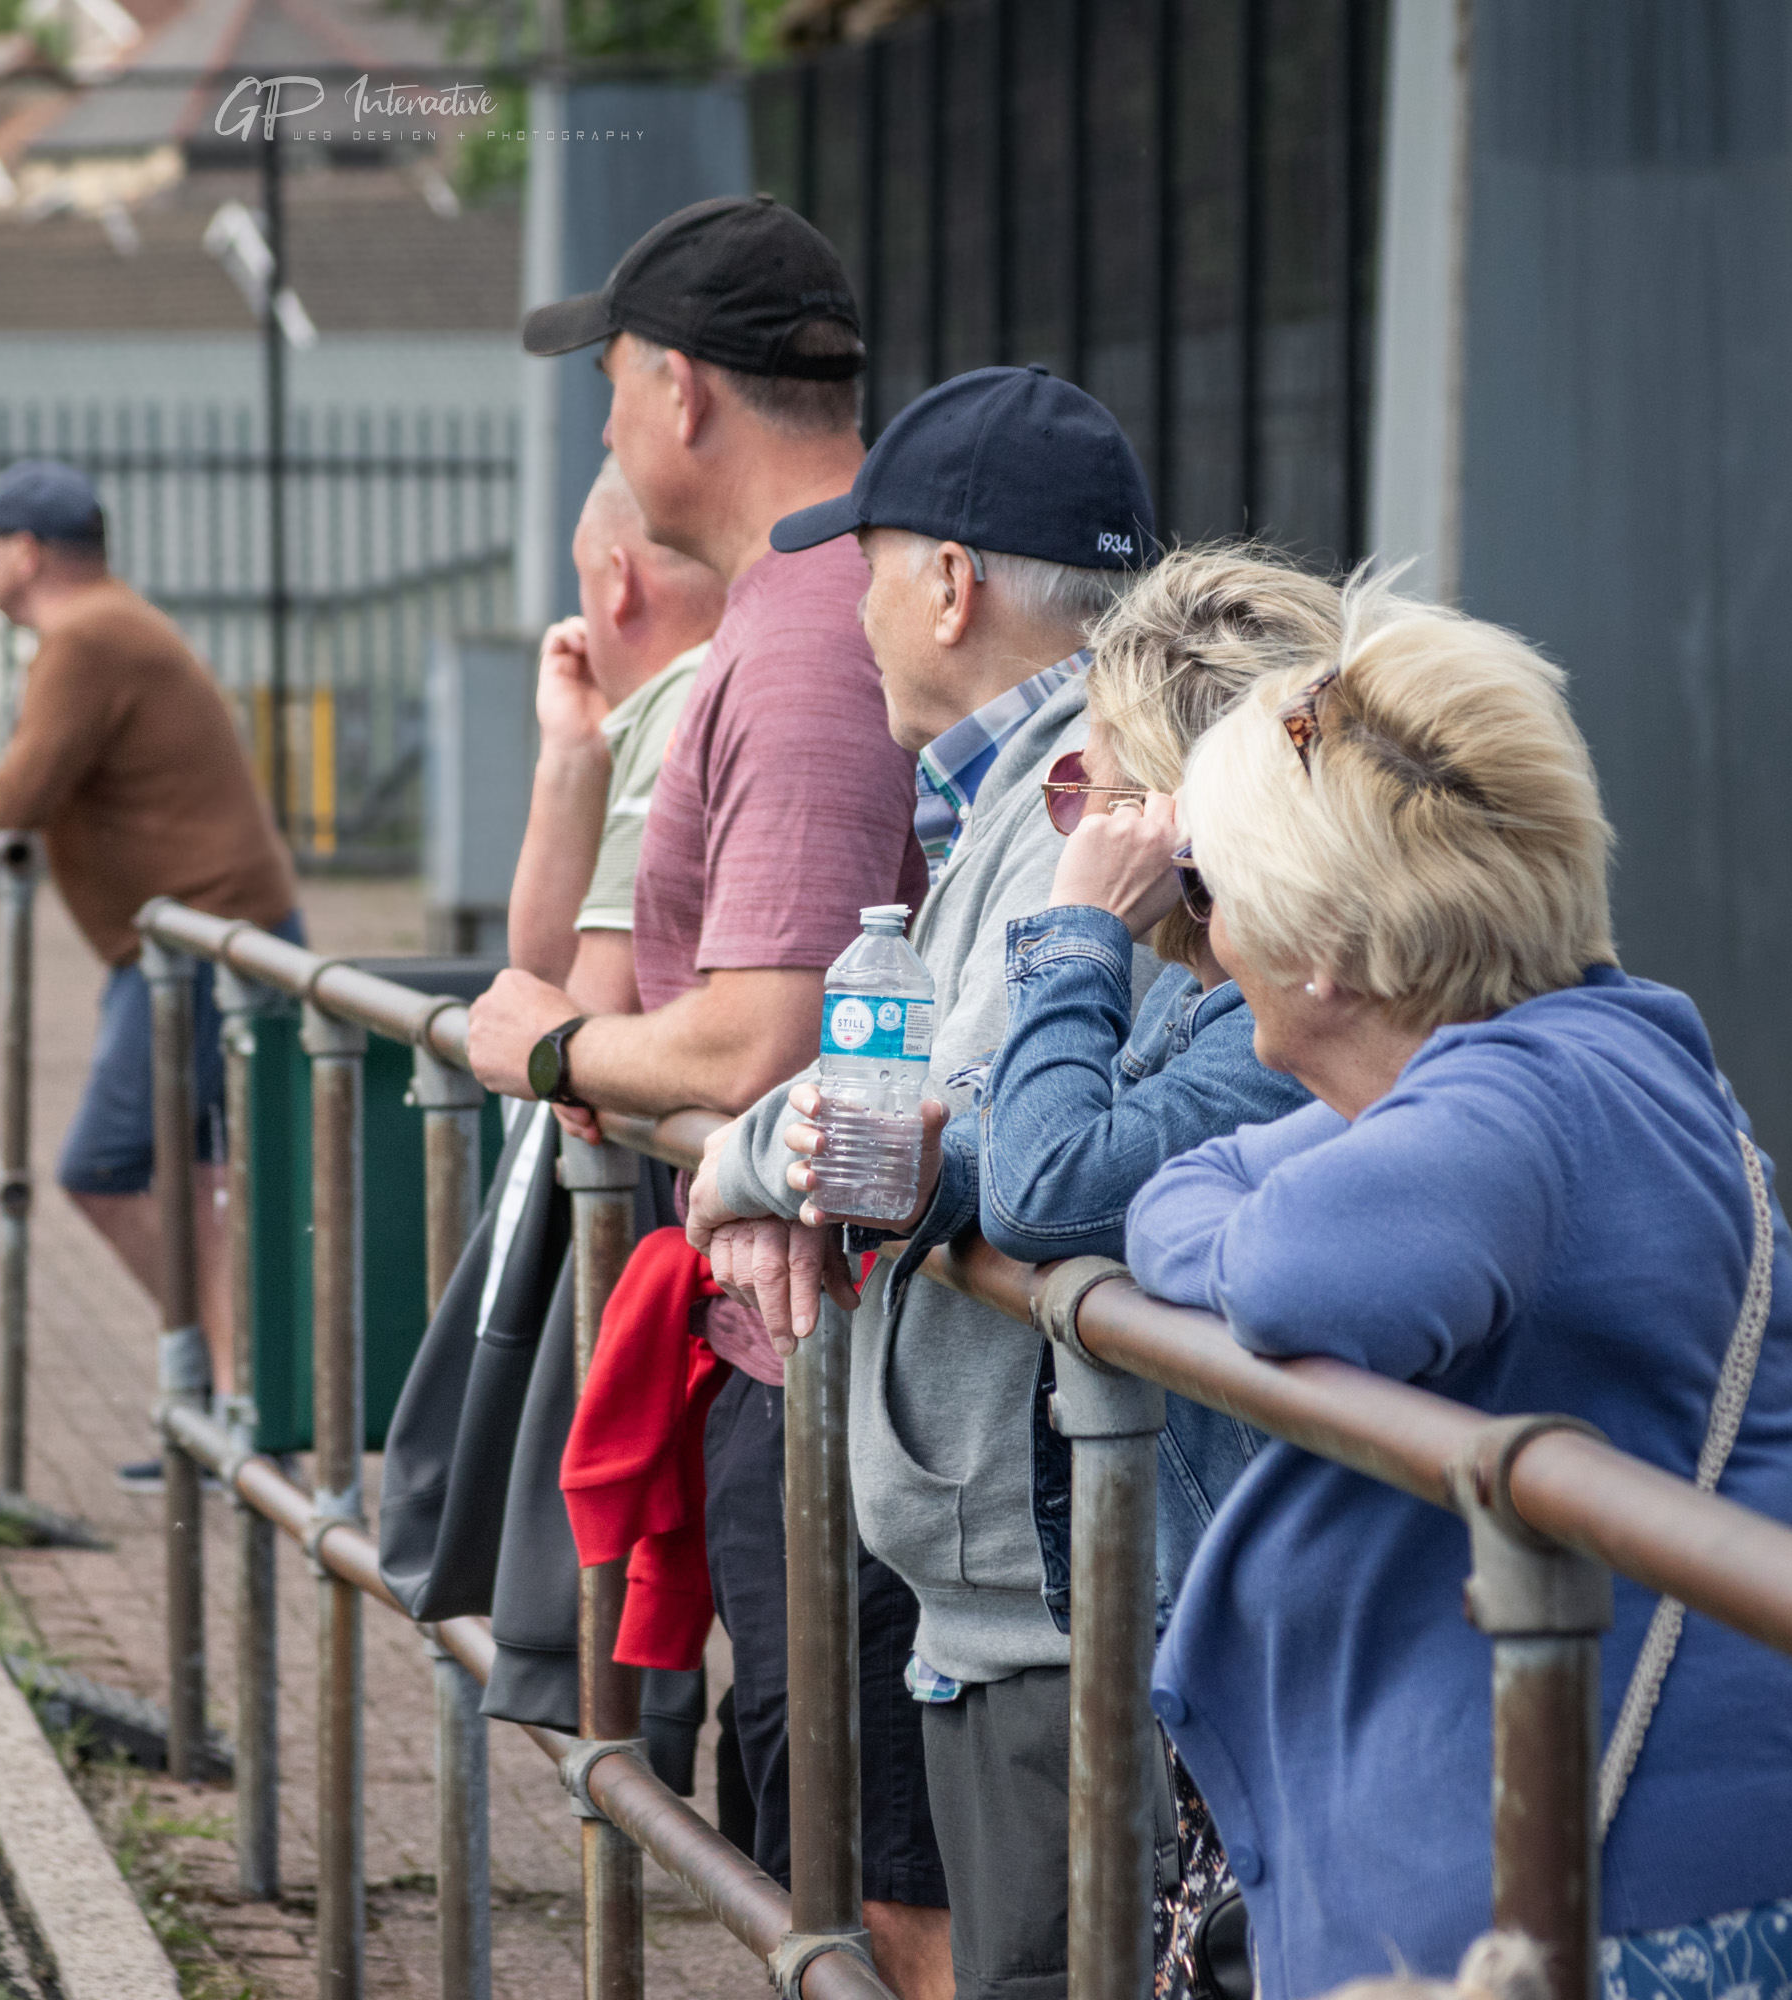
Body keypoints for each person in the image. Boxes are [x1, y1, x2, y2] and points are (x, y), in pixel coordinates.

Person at [1123, 589, 1792, 1999]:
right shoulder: (1576, 1059)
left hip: (1634, 1920)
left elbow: (1274, 1257)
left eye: (1208, 892)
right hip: (1688, 1884)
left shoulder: (1507, 1111)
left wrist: (1230, 1231)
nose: (1207, 936)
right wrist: (1234, 1213)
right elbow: (1195, 1190)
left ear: (1319, 946)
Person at [465, 195, 950, 1995]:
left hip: (846, 1363)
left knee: (876, 1891)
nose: (603, 422)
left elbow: (760, 1039)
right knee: (824, 1861)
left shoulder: (813, 631)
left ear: (679, 391)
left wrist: (551, 1050)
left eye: (610, 384)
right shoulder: (813, 601)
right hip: (817, 1344)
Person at [681, 363, 1158, 2000]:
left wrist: (743, 1164)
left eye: (866, 566)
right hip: (1015, 1576)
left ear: (949, 583)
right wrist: (786, 1163)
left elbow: (936, 1123)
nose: (856, 612)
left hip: (1054, 1587)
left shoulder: (1080, 792)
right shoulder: (1019, 791)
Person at [701, 546, 1335, 1638]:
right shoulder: (1212, 1002)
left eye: (1098, 794)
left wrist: (1078, 924)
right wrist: (923, 1178)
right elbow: (1042, 1142)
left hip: (1186, 1628)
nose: (1075, 828)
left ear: (1183, 820)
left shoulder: (1274, 1030)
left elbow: (1050, 1188)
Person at [0, 458, 301, 1482]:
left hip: (200, 947)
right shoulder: (107, 626)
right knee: (197, 1178)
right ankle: (236, 1407)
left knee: (104, 1167)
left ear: (25, 553)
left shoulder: (86, 637)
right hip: (197, 939)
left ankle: (248, 1389)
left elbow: (19, 793)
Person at [503, 455, 727, 1016]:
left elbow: (579, 1018)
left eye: (585, 584)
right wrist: (575, 752)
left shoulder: (684, 698)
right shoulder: (728, 678)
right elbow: (553, 985)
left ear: (620, 584)